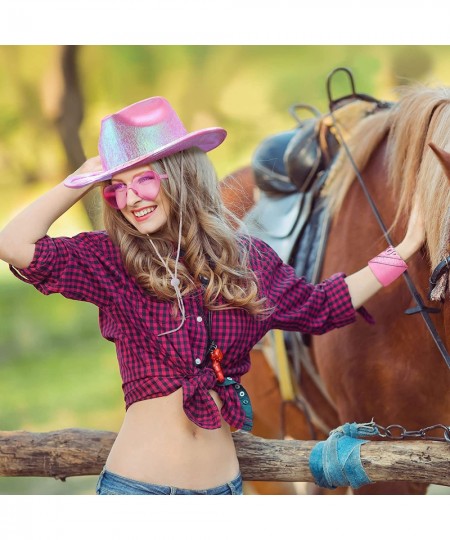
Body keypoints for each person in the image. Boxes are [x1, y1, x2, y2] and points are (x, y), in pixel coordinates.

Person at [0, 96, 425, 495]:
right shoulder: (111, 261)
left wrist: (403, 251)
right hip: (137, 491)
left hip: (223, 491)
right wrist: (84, 176)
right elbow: (14, 244)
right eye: (116, 187)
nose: (130, 199)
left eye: (143, 181)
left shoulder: (248, 262)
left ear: (181, 175)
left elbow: (321, 305)